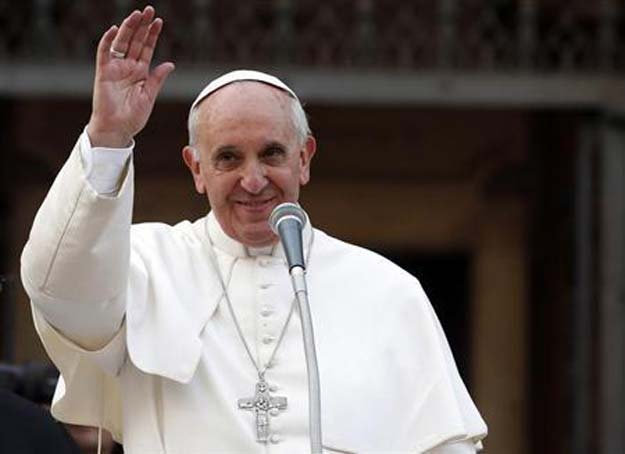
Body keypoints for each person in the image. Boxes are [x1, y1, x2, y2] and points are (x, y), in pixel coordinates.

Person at [21, 5, 487, 453]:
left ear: (303, 158)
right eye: (228, 158)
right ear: (196, 169)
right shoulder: (144, 265)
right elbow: (58, 288)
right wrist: (107, 137)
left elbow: (444, 445)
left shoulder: (388, 291)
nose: (253, 180)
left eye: (271, 154)